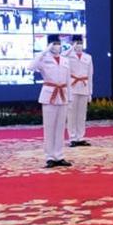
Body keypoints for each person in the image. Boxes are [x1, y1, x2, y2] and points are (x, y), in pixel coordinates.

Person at [30, 35, 72, 168]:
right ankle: (49, 156)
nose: (57, 46)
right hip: (49, 95)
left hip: (62, 94)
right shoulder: (44, 59)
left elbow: (68, 81)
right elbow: (30, 67)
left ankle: (59, 156)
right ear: (49, 45)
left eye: (58, 43)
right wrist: (43, 52)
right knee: (49, 127)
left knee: (60, 127)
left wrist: (69, 97)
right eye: (54, 43)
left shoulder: (65, 60)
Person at [66, 35, 93, 147]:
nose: (79, 45)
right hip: (72, 87)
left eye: (80, 42)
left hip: (84, 86)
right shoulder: (68, 56)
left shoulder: (88, 57)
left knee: (82, 114)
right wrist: (71, 48)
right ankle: (72, 137)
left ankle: (80, 137)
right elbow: (62, 55)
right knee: (71, 114)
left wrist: (90, 92)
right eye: (77, 43)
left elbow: (90, 75)